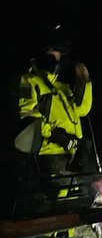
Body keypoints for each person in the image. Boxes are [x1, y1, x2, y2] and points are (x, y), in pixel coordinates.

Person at [16, 27, 93, 175]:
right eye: (54, 51)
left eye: (60, 52)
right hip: (50, 154)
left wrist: (84, 81)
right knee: (62, 196)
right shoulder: (31, 81)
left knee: (82, 195)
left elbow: (82, 110)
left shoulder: (61, 88)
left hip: (73, 153)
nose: (58, 56)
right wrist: (56, 135)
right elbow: (27, 115)